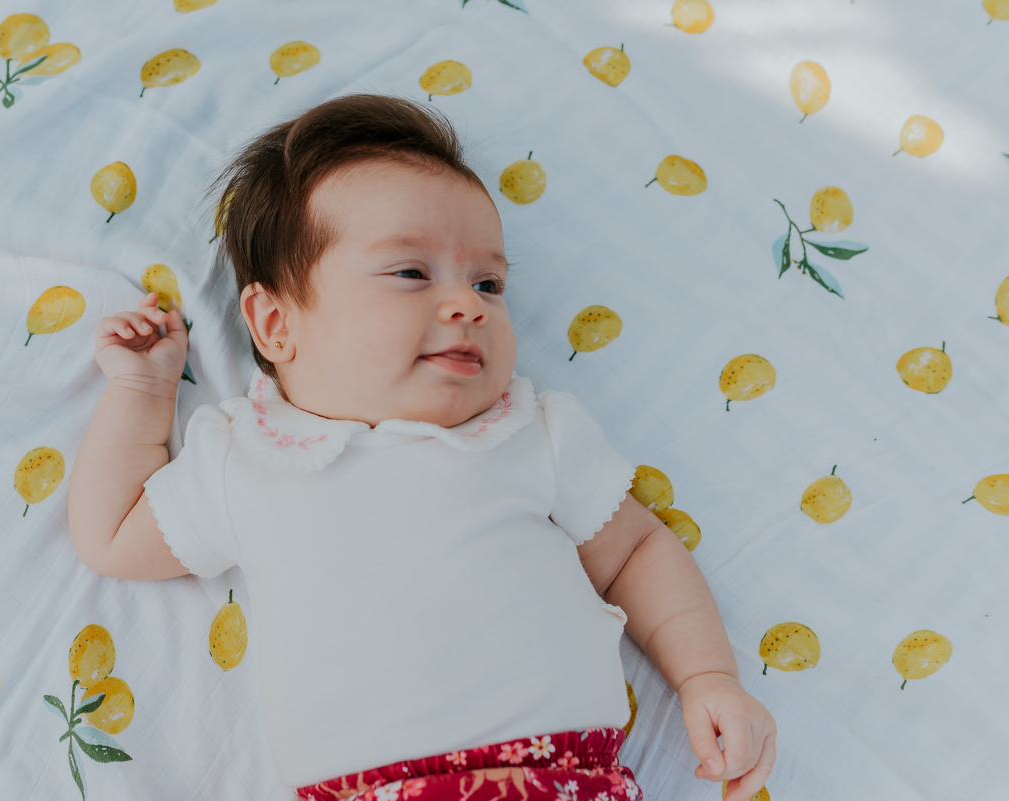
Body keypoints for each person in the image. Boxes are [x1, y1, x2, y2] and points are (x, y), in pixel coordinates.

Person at [67, 93, 776, 801]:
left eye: (489, 283)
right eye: (411, 273)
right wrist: (142, 391)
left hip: (564, 778)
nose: (468, 305)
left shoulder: (531, 430)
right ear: (276, 323)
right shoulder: (245, 458)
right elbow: (112, 534)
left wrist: (707, 675)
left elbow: (636, 551)